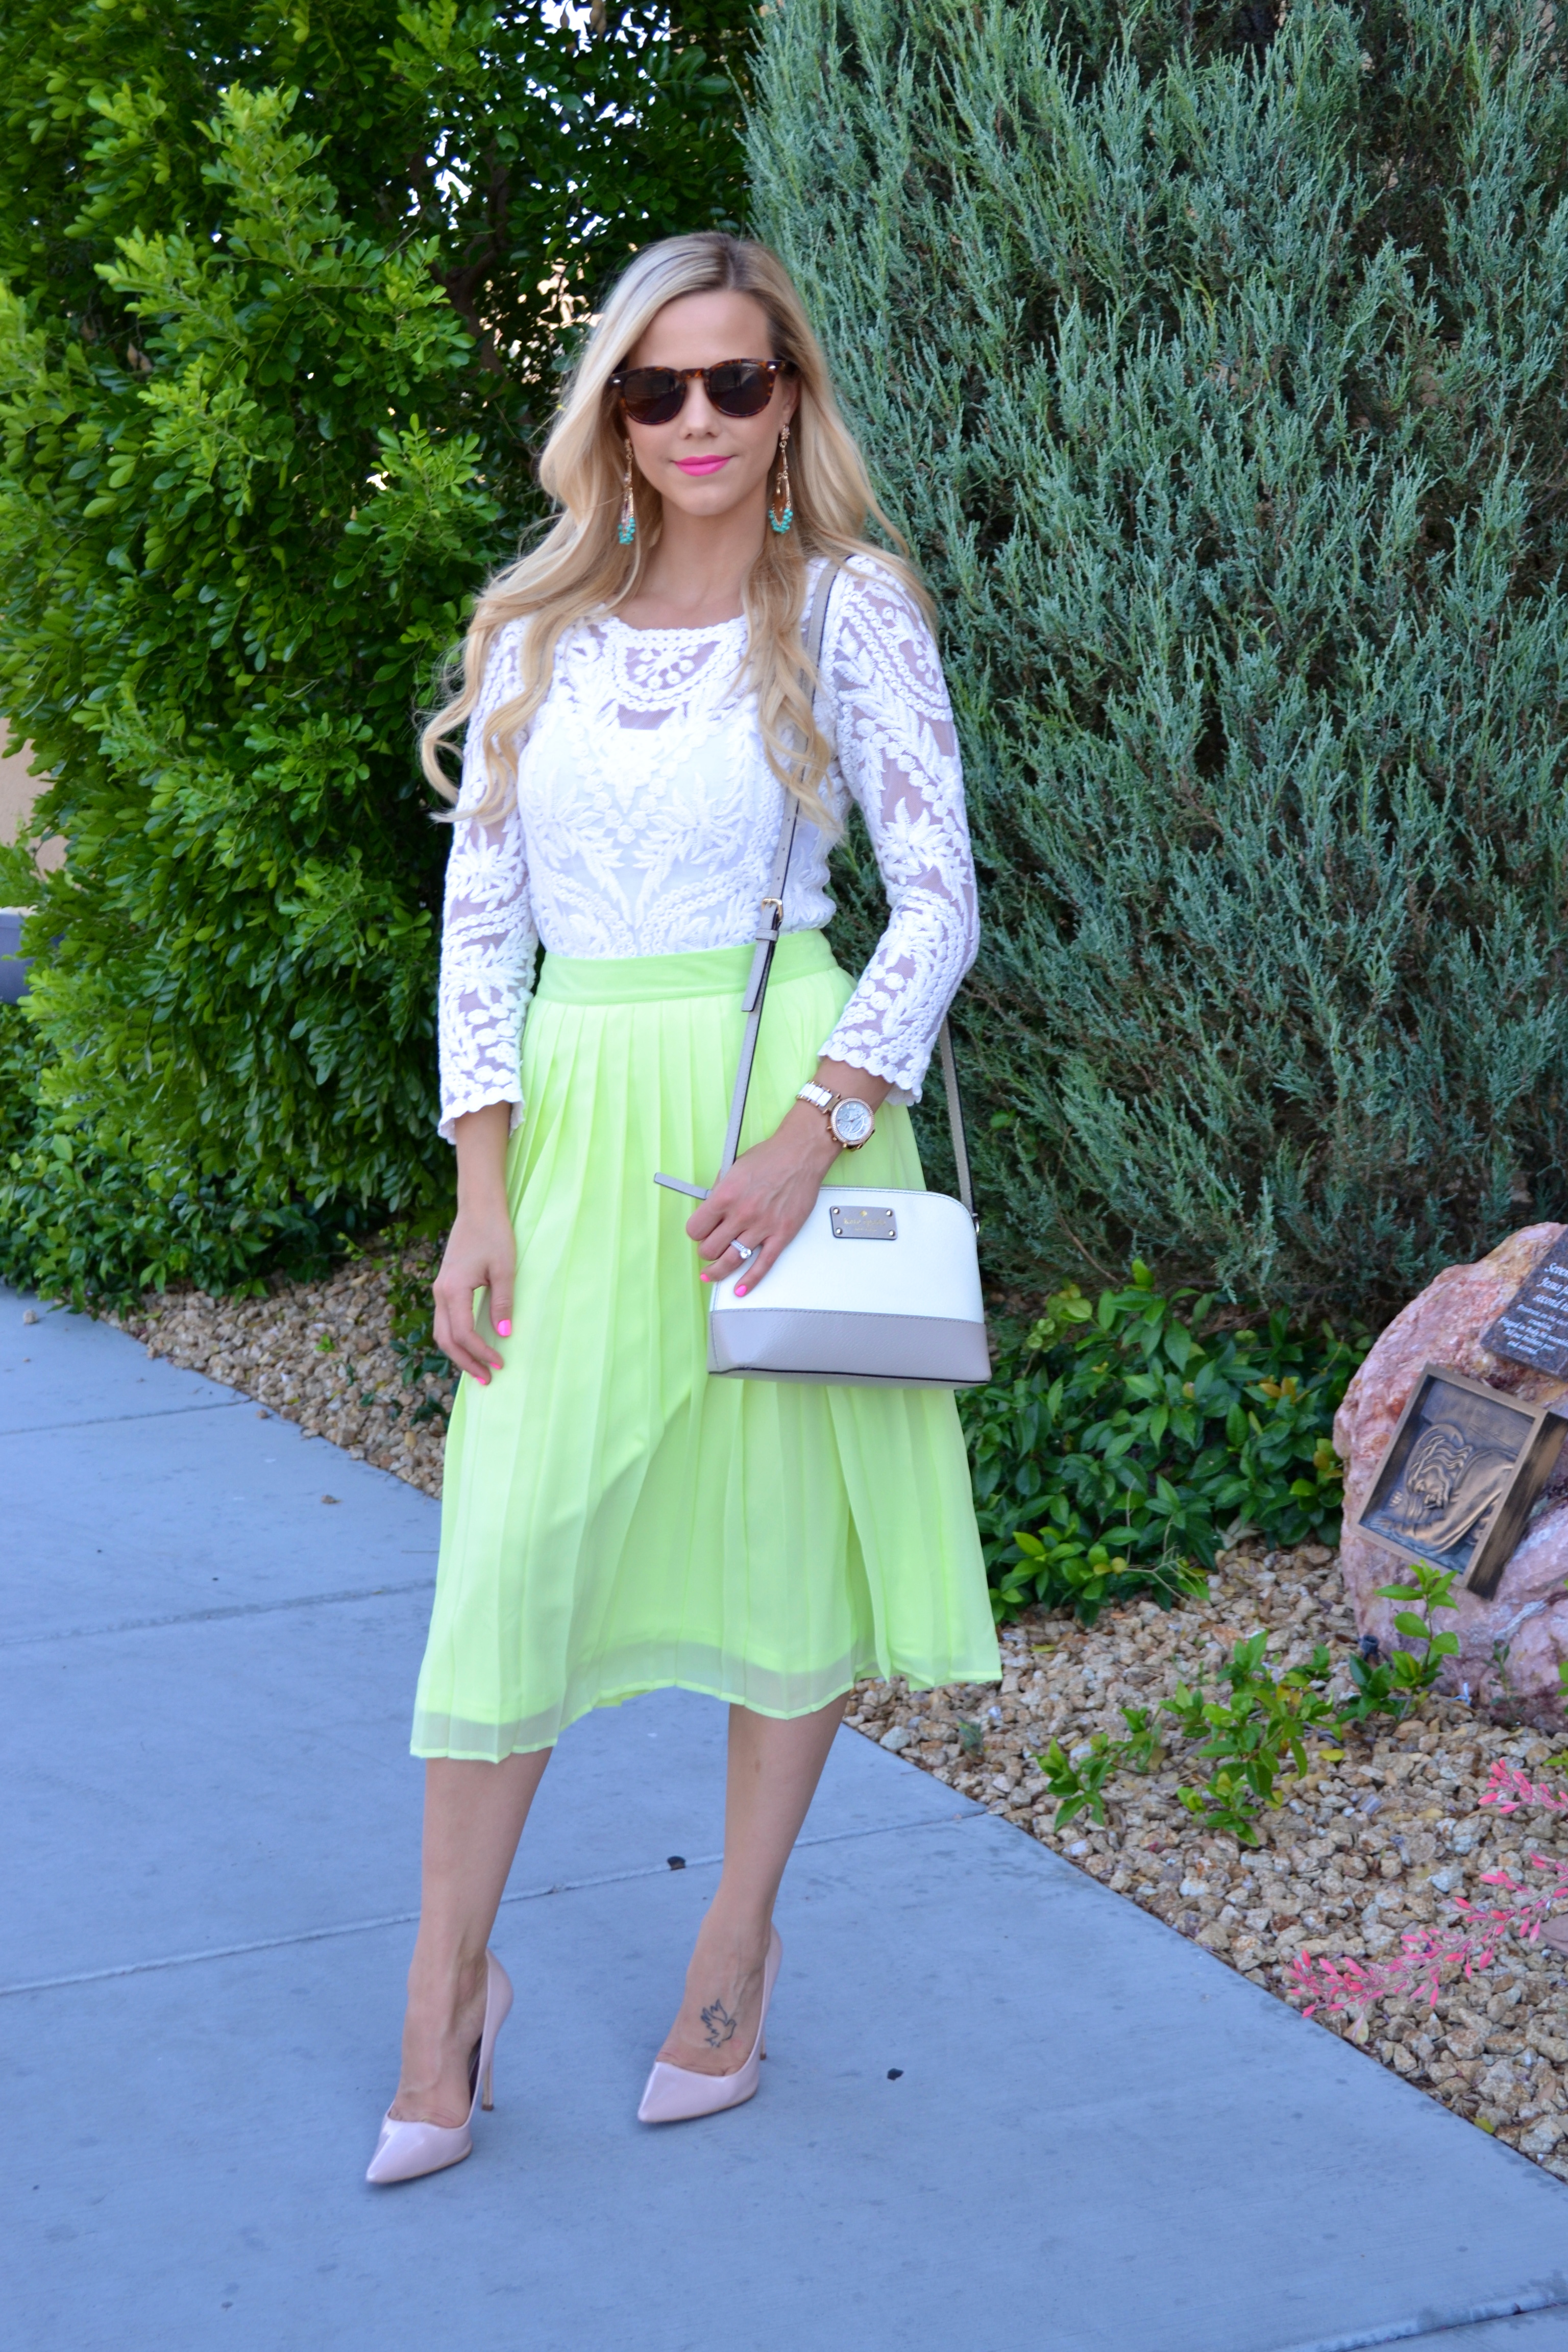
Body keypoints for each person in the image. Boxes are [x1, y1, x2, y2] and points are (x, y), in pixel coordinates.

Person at [366, 230, 1000, 2185]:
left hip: (783, 1111)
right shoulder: (534, 632)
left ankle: (734, 1948)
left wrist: (818, 1129)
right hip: (572, 1125)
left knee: (779, 1556)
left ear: (788, 400)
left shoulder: (851, 609)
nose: (701, 419)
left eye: (738, 382)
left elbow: (937, 893)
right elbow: (484, 934)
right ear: (612, 420)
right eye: (660, 387)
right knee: (509, 1559)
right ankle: (439, 1996)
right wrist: (480, 1195)